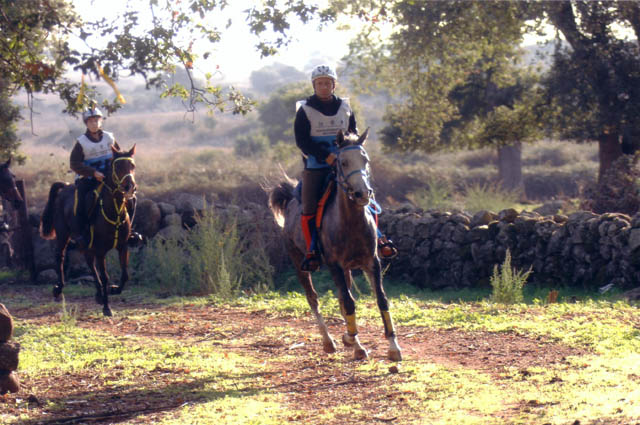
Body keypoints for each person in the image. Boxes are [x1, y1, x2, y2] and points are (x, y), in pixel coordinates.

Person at [294, 64, 397, 272]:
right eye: (320, 83)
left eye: (327, 83)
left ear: (333, 85)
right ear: (314, 85)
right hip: (317, 167)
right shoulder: (304, 110)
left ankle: (380, 240)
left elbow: (354, 133)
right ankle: (312, 251)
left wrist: (347, 153)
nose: (323, 87)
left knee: (366, 198)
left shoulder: (345, 107)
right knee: (308, 206)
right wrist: (327, 156)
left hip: (347, 164)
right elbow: (302, 141)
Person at [70, 106, 141, 247]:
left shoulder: (110, 137)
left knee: (131, 198)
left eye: (96, 120)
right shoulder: (81, 142)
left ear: (101, 121)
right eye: (90, 121)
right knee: (83, 200)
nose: (94, 123)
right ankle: (80, 234)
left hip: (109, 177)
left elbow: (119, 157)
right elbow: (74, 164)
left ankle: (130, 230)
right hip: (88, 178)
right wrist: (93, 173)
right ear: (86, 124)